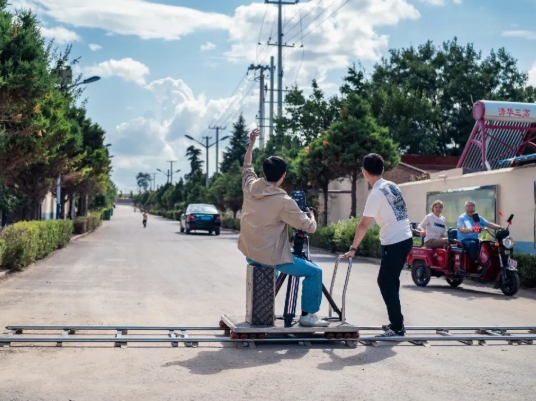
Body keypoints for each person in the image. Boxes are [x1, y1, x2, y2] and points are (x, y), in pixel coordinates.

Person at [238, 128, 327, 327]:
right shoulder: (283, 201)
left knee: (272, 267)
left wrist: (251, 143)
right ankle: (307, 316)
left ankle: (262, 310)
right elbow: (308, 227)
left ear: (263, 173)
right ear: (283, 175)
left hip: (250, 252)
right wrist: (311, 217)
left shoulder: (250, 187)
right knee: (314, 272)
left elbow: (246, 165)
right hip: (270, 257)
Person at [343, 153, 413, 338]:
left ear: (364, 172)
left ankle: (397, 327)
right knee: (391, 282)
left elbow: (364, 224)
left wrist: (353, 249)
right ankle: (395, 322)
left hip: (395, 241)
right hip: (405, 238)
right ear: (382, 169)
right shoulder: (392, 186)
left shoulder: (375, 193)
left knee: (385, 283)